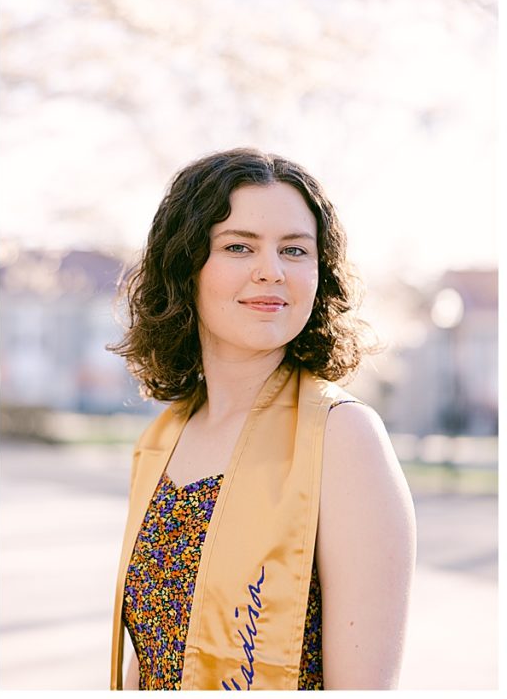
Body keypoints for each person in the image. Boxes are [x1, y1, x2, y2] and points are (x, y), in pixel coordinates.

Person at [108, 148, 415, 690]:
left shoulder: (341, 437)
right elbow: (150, 654)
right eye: (238, 246)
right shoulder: (165, 438)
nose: (270, 271)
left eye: (294, 250)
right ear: (186, 266)